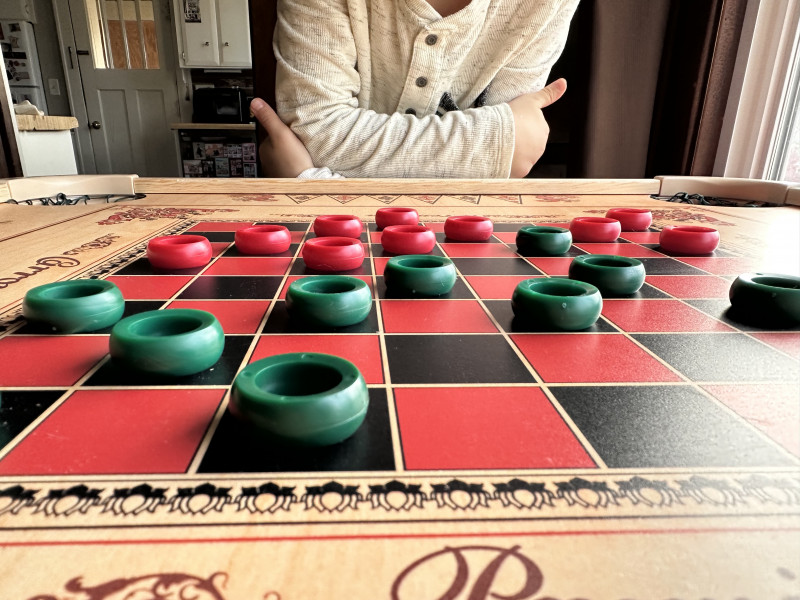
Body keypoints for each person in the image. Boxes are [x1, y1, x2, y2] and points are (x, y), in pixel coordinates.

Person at [251, 0, 580, 179]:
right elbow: (319, 134)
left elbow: (506, 169)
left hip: (463, 236)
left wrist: (312, 181)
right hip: (333, 243)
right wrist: (497, 141)